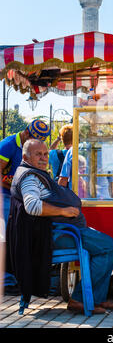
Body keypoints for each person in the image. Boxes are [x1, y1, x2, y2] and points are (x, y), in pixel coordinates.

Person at [6, 139, 113, 314]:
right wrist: (64, 211)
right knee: (108, 247)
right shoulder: (29, 178)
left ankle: (95, 298)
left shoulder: (31, 172)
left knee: (104, 244)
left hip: (61, 231)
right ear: (25, 156)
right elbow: (32, 206)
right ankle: (80, 299)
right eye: (38, 154)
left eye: (45, 154)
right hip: (57, 235)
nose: (44, 158)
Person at [0, 119, 50, 295]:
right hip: (4, 196)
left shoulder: (31, 145)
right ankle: (5, 280)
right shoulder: (8, 145)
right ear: (27, 133)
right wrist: (14, 187)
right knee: (6, 236)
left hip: (17, 196)